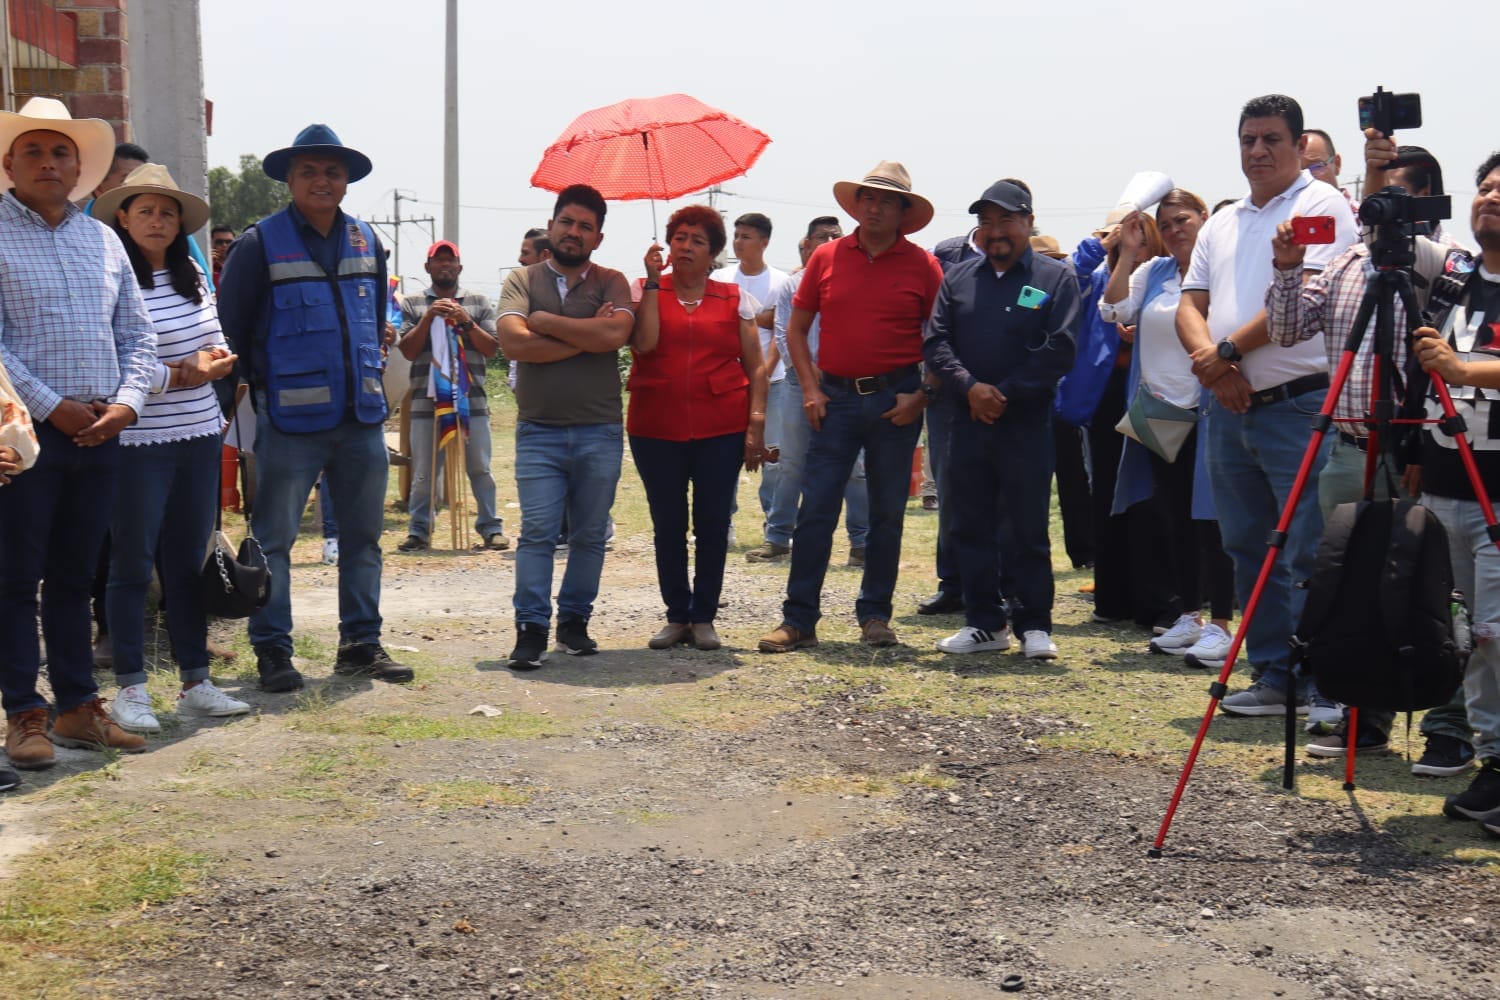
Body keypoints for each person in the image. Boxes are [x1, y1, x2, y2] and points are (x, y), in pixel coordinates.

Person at [1175, 94, 1357, 719]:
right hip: (1226, 407)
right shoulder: (1223, 221)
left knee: (1307, 549)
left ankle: (1322, 680)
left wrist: (1222, 353)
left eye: (1271, 140)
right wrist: (1214, 365)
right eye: (1248, 140)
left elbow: (1305, 297)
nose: (1257, 151)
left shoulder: (1319, 205)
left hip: (1295, 406)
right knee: (1247, 545)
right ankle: (1274, 674)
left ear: (1297, 143)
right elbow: (1188, 302)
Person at [217, 123, 413, 691]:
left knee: (362, 539)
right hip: (288, 423)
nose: (321, 181)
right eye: (309, 172)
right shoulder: (259, 244)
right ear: (290, 180)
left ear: (346, 181)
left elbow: (375, 321)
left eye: (332, 171)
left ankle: (360, 645)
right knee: (274, 542)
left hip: (361, 420)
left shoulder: (366, 241)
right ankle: (273, 652)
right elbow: (232, 334)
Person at [0, 97, 156, 769]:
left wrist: (126, 404)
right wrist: (49, 404)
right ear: (9, 163)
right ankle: (23, 715)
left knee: (73, 576)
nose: (48, 162)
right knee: (14, 578)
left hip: (102, 432)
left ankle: (75, 707)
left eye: (60, 152)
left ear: (79, 166)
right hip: (25, 435)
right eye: (33, 150)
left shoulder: (103, 239)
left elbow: (139, 337)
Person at [88, 163, 249, 733]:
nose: (157, 220)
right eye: (145, 210)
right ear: (123, 219)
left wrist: (215, 364)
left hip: (200, 435)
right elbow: (108, 361)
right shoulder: (109, 279)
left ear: (180, 224)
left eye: (167, 211)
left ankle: (196, 682)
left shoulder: (193, 277)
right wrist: (180, 375)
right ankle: (131, 688)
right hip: (135, 439)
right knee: (131, 564)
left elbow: (217, 347)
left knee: (185, 564)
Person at [757, 160, 943, 652]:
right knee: (815, 510)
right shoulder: (827, 258)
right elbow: (795, 329)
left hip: (895, 402)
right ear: (856, 204)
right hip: (833, 399)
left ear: (904, 211)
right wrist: (811, 389)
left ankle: (875, 616)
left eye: (887, 200)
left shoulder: (923, 265)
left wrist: (922, 394)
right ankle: (799, 621)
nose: (875, 206)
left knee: (886, 514)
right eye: (868, 197)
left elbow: (943, 337)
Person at [923, 180, 1080, 658]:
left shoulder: (1054, 278)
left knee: (1027, 524)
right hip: (967, 419)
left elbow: (1062, 347)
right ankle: (984, 623)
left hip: (1025, 423)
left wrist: (1004, 394)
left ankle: (1035, 623)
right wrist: (970, 388)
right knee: (968, 523)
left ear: (1029, 222)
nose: (995, 231)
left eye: (1006, 220)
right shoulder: (959, 278)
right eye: (986, 222)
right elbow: (936, 340)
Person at [496, 184, 634, 669]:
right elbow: (513, 343)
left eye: (585, 227)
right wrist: (585, 336)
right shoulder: (521, 278)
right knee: (536, 533)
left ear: (597, 238)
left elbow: (617, 333)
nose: (574, 233)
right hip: (539, 430)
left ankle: (574, 623)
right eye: (567, 222)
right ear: (552, 225)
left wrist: (545, 322)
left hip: (599, 429)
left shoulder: (613, 282)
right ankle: (530, 629)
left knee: (590, 534)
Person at [1099, 191, 1236, 665]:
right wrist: (1130, 252)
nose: (1176, 229)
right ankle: (1188, 614)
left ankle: (1221, 622)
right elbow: (1113, 310)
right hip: (1160, 408)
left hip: (1210, 406)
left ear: (1204, 220)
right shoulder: (1154, 271)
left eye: (1184, 219)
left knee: (1211, 519)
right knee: (1172, 516)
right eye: (1167, 223)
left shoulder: (1223, 269)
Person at [629, 206, 768, 650]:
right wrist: (652, 283)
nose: (685, 247)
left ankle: (704, 616)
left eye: (697, 241)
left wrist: (755, 427)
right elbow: (645, 343)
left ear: (714, 253)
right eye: (679, 238)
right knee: (667, 523)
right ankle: (676, 615)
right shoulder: (644, 290)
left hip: (721, 428)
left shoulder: (734, 299)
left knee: (711, 522)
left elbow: (756, 368)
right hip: (655, 427)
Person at [1412, 153, 1500, 829]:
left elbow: (1455, 365)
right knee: (1471, 635)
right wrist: (1379, 162)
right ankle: (1486, 756)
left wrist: (1462, 365)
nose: (1491, 198)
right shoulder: (1455, 280)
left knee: (1496, 634)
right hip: (1444, 484)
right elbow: (1389, 237)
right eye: (1486, 188)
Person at [753, 216, 869, 566]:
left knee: (856, 467)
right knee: (791, 463)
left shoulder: (857, 280)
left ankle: (861, 544)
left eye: (837, 235)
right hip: (794, 382)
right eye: (823, 236)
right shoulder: (793, 285)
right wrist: (807, 374)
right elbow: (786, 334)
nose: (831, 240)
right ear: (806, 245)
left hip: (846, 384)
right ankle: (778, 538)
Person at [396, 240, 507, 552]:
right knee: (423, 472)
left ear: (459, 267)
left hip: (471, 401)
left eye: (450, 260)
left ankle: (491, 528)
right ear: (428, 267)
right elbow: (407, 350)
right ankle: (419, 531)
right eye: (438, 260)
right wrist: (429, 318)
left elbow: (491, 348)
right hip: (425, 402)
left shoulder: (478, 301)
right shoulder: (413, 304)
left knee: (480, 467)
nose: (444, 265)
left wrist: (465, 321)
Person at [719, 213, 791, 555]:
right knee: (723, 455)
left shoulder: (780, 281)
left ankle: (775, 528)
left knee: (773, 455)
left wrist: (766, 368)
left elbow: (782, 331)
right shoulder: (721, 279)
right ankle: (723, 522)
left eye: (746, 236)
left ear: (764, 242)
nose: (738, 242)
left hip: (773, 382)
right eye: (736, 235)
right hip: (728, 383)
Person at [210, 223, 235, 288]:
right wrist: (208, 264)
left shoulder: (242, 265)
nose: (224, 245)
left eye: (228, 242)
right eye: (219, 242)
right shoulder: (205, 266)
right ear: (211, 243)